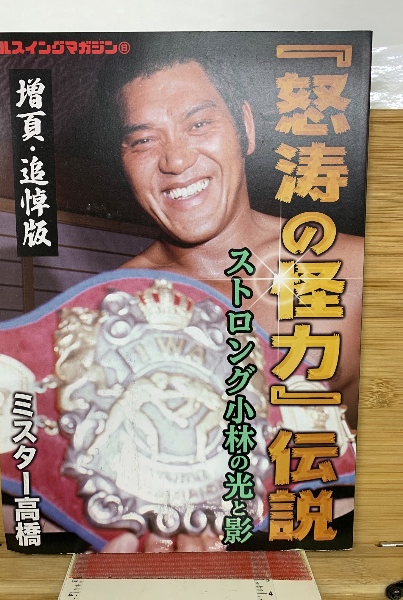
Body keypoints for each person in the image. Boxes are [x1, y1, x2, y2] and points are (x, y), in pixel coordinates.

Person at [97, 43, 363, 552]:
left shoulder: (359, 270)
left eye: (199, 124)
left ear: (247, 127)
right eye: (144, 140)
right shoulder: (104, 308)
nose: (176, 160)